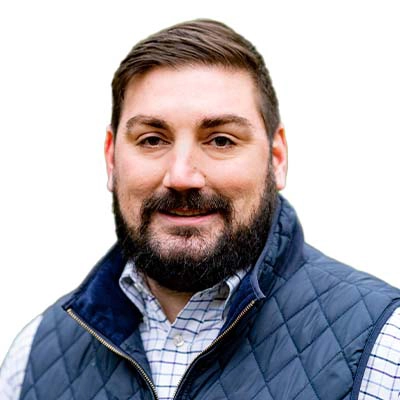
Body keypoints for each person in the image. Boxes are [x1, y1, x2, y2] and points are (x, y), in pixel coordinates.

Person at [1, 18, 400, 400]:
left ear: (277, 159)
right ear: (111, 159)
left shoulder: (383, 348)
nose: (181, 175)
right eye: (153, 140)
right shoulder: (32, 361)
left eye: (221, 140)